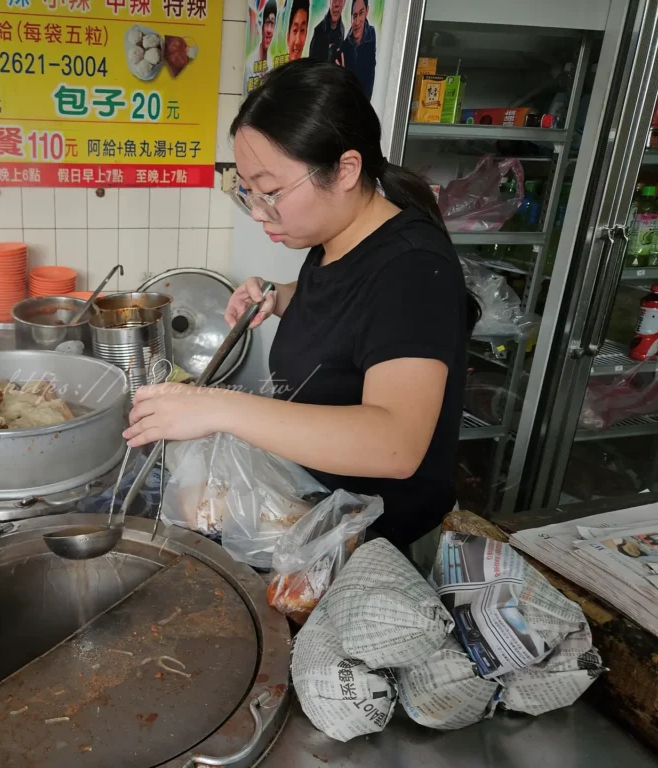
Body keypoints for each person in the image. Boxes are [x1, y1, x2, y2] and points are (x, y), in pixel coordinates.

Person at [123, 61, 475, 551]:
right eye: (248, 193)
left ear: (346, 169)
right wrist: (281, 295)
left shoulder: (414, 270)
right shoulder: (334, 239)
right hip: (310, 512)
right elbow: (353, 315)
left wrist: (218, 408)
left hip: (378, 548)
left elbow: (395, 444)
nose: (260, 212)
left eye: (271, 193)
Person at [342, 0, 376, 100]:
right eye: (354, 16)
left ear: (367, 11)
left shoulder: (371, 35)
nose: (357, 22)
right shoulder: (344, 47)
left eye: (361, 13)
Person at [308, 0, 346, 65]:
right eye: (334, 0)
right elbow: (312, 66)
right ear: (330, 1)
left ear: (344, 2)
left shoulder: (342, 29)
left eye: (340, 0)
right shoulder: (318, 31)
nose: (337, 4)